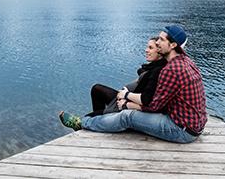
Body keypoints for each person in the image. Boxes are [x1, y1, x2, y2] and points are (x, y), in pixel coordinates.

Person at [59, 25, 207, 143]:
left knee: (127, 117)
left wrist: (127, 103)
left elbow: (153, 106)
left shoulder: (171, 69)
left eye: (161, 40)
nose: (157, 42)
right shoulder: (186, 61)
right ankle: (91, 123)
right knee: (125, 111)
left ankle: (82, 124)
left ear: (173, 45)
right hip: (193, 124)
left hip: (181, 130)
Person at [86, 37, 167, 117]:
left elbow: (146, 99)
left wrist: (126, 96)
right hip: (125, 99)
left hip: (126, 105)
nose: (146, 50)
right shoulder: (152, 68)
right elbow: (141, 72)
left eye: (150, 48)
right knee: (96, 89)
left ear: (160, 52)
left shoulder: (156, 72)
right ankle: (102, 118)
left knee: (89, 117)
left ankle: (101, 118)